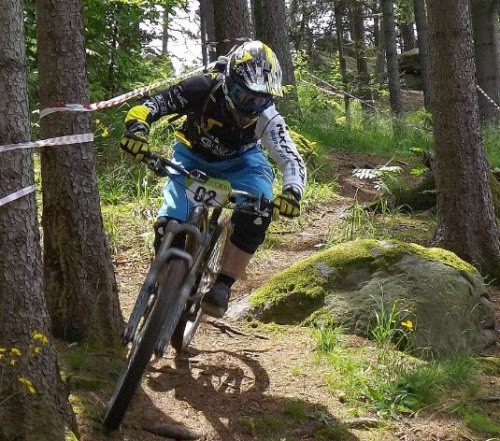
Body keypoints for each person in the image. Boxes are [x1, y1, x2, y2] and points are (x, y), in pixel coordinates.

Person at [120, 40, 307, 318]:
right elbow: (151, 105)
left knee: (258, 213)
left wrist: (292, 192)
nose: (251, 106)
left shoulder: (268, 118)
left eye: (260, 100)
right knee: (167, 225)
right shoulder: (202, 88)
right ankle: (163, 289)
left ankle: (223, 285)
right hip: (191, 155)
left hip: (243, 164)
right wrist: (136, 131)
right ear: (229, 82)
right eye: (244, 96)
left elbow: (291, 159)